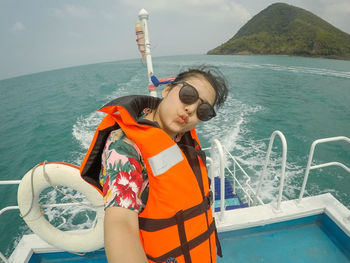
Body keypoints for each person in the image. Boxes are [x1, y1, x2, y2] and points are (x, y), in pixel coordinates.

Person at [80, 65, 228, 263]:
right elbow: (121, 222)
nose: (191, 109)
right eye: (188, 94)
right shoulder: (125, 148)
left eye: (203, 110)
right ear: (167, 90)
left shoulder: (181, 137)